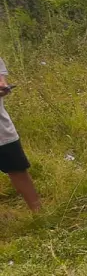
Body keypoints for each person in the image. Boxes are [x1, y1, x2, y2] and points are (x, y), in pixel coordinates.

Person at [0, 57, 40, 212]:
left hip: (2, 131)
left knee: (18, 170)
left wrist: (3, 88)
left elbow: (2, 83)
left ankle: (40, 215)